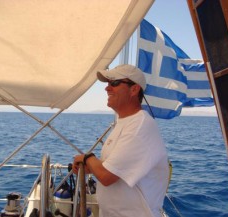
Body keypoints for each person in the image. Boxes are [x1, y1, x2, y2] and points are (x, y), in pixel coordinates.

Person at [72, 64, 169, 217]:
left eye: (114, 83)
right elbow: (114, 169)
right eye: (108, 83)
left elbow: (107, 176)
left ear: (134, 89)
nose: (107, 88)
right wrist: (88, 167)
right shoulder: (127, 123)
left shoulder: (139, 126)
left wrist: (87, 158)